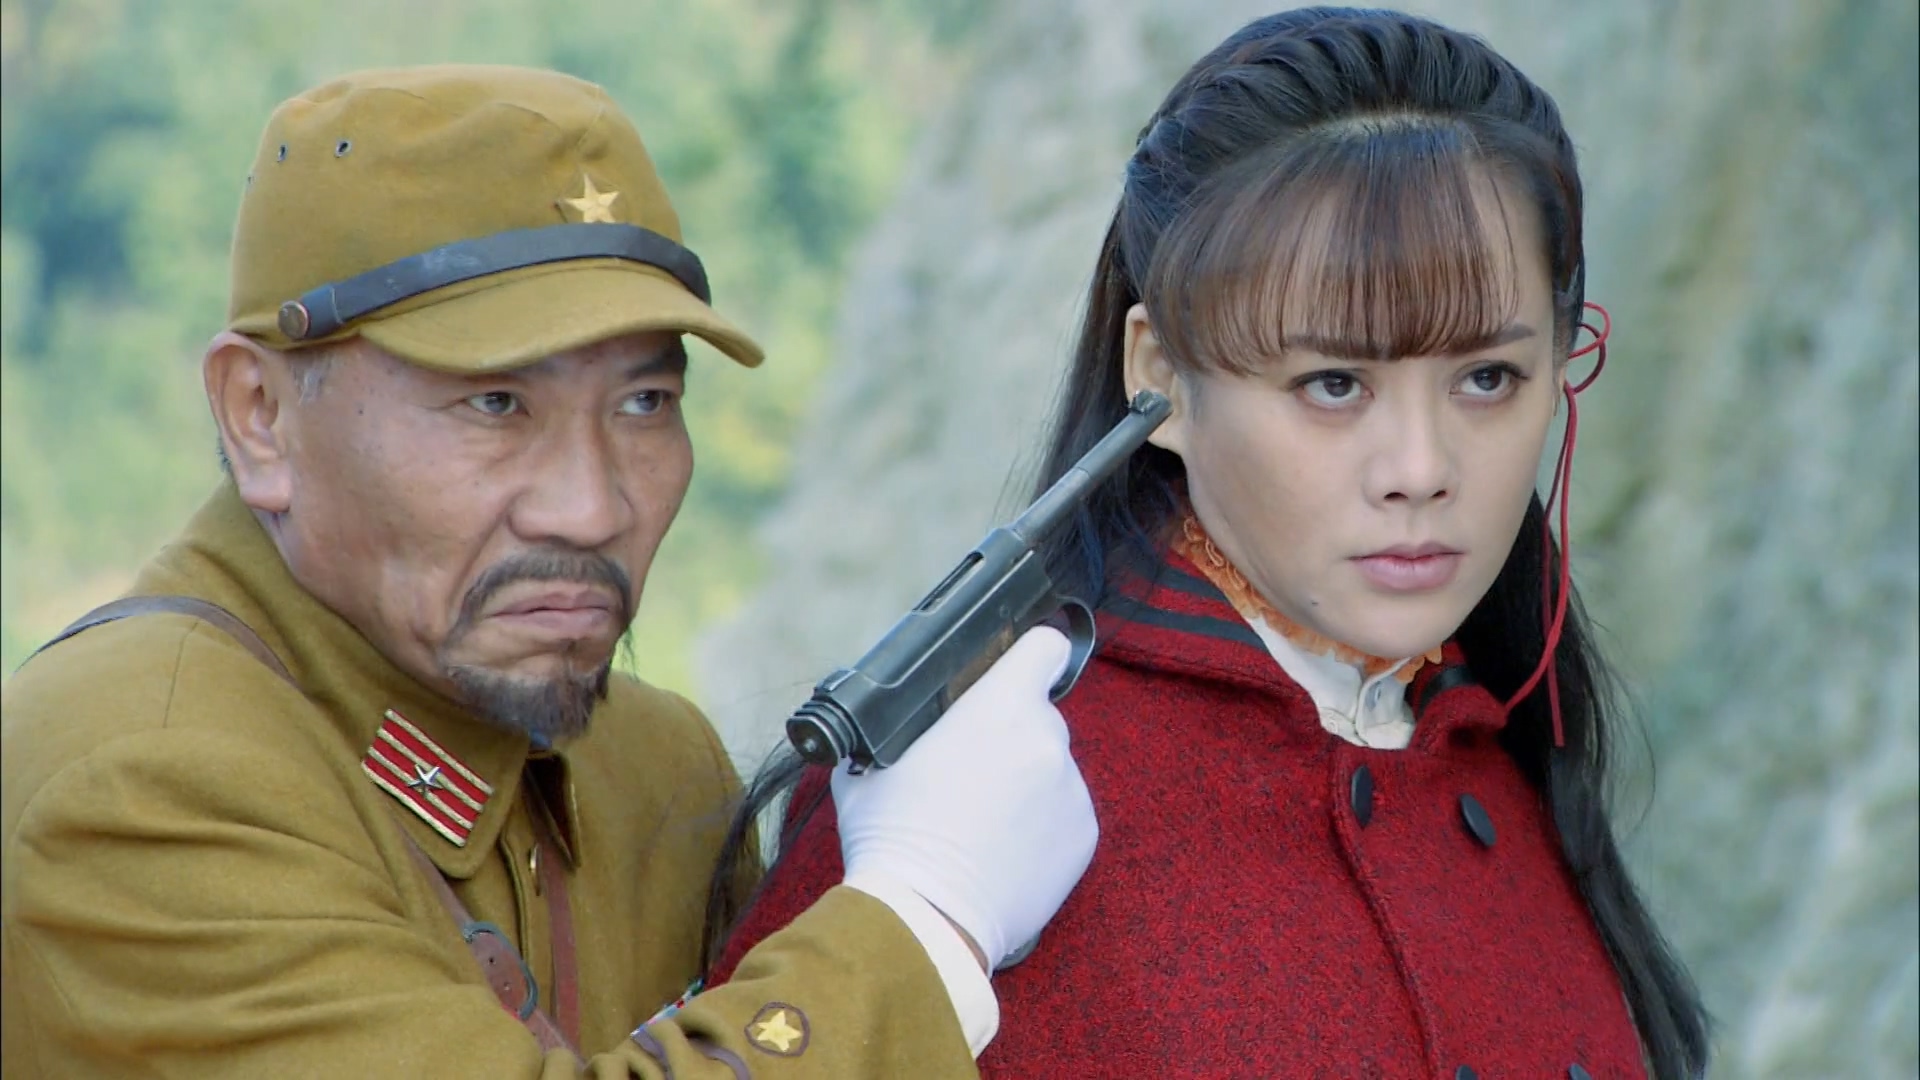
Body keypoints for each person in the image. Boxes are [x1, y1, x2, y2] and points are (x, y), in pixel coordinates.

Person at [0, 65, 1099, 1078]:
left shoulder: (653, 766)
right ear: (260, 418)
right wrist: (926, 917)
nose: (592, 507)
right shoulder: (134, 777)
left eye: (644, 401)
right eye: (495, 403)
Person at [706, 8, 1715, 1078]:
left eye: (1488, 378)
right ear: (1162, 377)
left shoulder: (1510, 747)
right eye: (1335, 384)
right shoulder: (965, 798)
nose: (1421, 468)